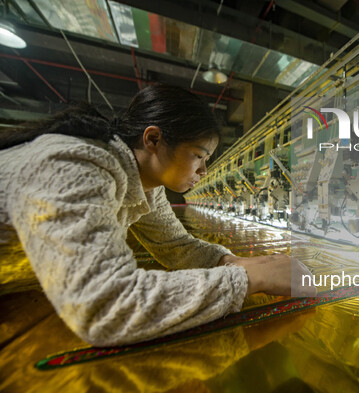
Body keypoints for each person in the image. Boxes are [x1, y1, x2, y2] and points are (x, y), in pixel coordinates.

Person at [0, 84, 315, 347]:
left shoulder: (144, 186)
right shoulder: (75, 167)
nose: (204, 172)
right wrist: (248, 278)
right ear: (153, 139)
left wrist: (234, 262)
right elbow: (106, 307)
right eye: (199, 157)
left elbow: (176, 245)